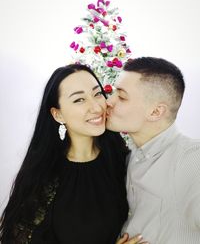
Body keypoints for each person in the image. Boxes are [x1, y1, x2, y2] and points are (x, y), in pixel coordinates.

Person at [0, 63, 133, 244]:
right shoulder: (43, 178)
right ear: (58, 115)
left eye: (97, 94)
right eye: (79, 100)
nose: (96, 107)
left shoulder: (124, 161)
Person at [107, 57, 200, 244]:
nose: (109, 101)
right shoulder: (130, 157)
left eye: (122, 96)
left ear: (156, 112)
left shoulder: (192, 159)